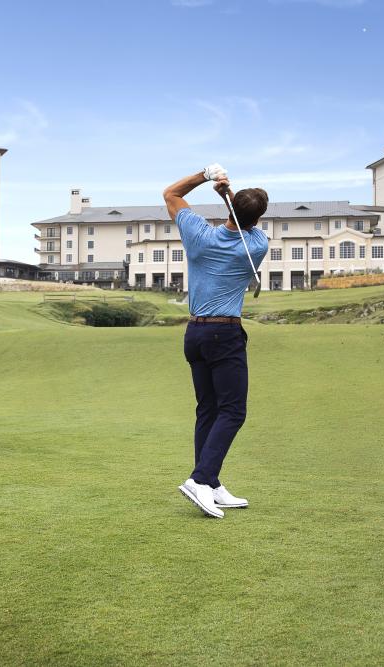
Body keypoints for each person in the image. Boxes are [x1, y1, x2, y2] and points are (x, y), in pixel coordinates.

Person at [163, 164, 269, 518]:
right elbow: (243, 221)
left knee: (208, 410)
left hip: (194, 333)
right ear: (259, 217)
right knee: (233, 411)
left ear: (231, 206)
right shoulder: (256, 245)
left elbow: (171, 194)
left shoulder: (197, 234)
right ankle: (200, 479)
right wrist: (229, 197)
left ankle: (213, 483)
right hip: (225, 334)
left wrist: (207, 176)